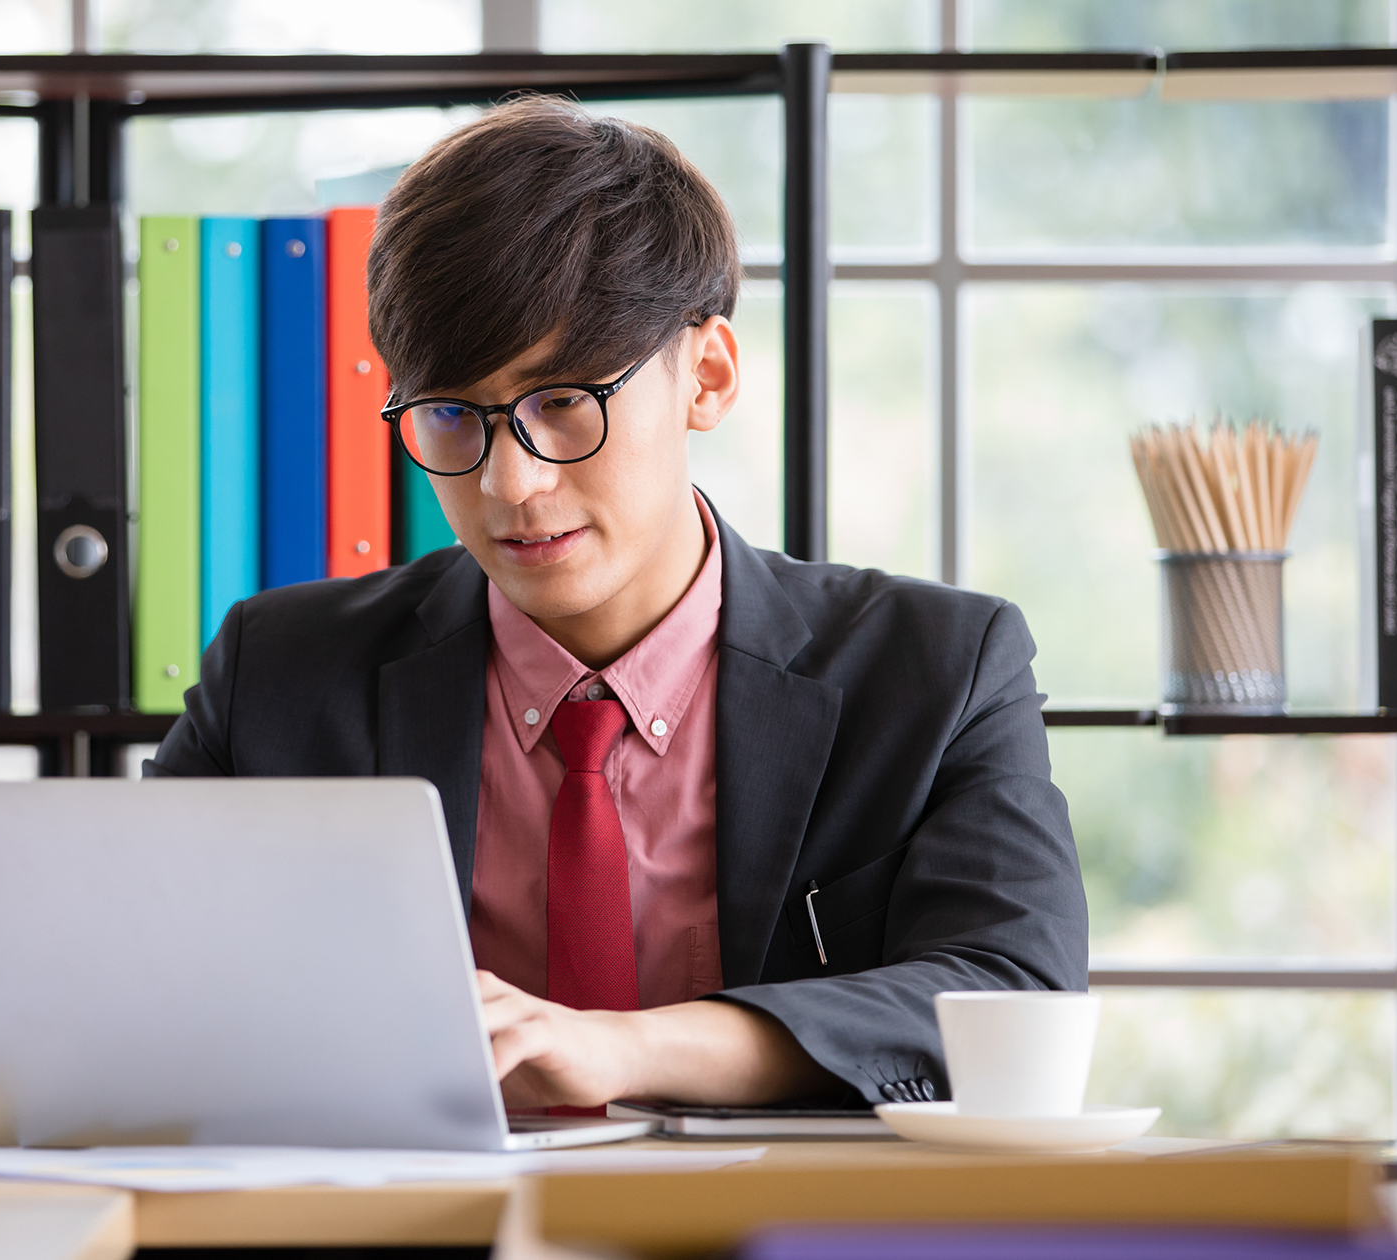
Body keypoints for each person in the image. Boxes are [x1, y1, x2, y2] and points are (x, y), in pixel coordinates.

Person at [151, 96, 1087, 1112]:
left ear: (708, 375)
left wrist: (624, 1051)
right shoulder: (279, 672)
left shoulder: (935, 669)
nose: (509, 484)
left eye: (561, 403)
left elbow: (1010, 987)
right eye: (452, 417)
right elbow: (128, 977)